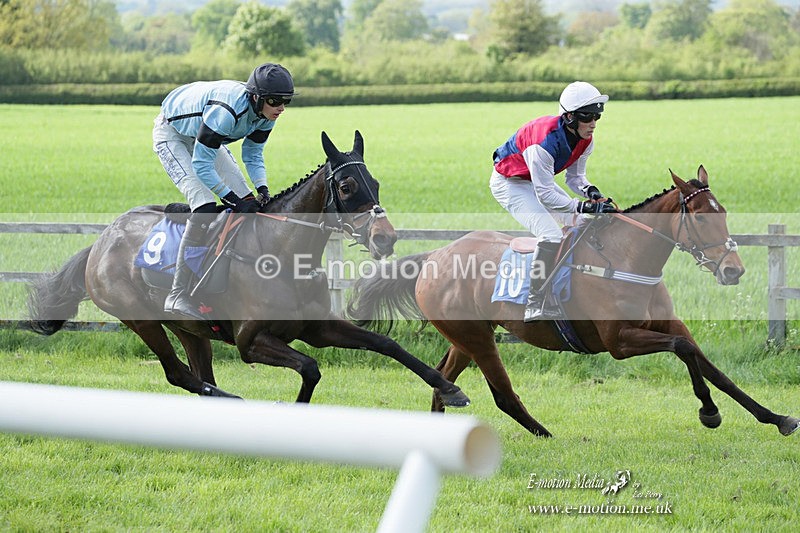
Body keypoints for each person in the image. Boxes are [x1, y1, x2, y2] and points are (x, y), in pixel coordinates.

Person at [153, 62, 295, 320]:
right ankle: (177, 293)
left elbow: (253, 153)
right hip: (173, 135)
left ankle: (235, 278)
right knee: (205, 207)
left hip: (205, 134)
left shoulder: (267, 115)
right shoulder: (228, 111)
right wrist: (230, 199)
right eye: (276, 101)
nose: (281, 108)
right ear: (256, 97)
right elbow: (201, 165)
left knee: (250, 201)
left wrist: (262, 189)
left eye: (286, 101)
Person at [490, 81, 616, 322]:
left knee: (581, 222)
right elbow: (545, 194)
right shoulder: (543, 143)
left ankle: (575, 286)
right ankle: (534, 301)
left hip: (537, 181)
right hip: (510, 184)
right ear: (569, 117)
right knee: (551, 235)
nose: (593, 123)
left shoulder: (585, 139)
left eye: (597, 116)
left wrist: (591, 193)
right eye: (587, 116)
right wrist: (582, 205)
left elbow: (576, 177)